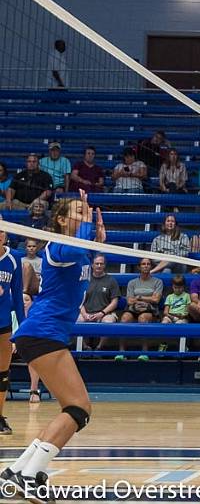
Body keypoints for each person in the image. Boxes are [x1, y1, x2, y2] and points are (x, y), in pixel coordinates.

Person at [0, 190, 104, 496]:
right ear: (60, 220)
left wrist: (95, 236)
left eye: (86, 211)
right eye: (78, 211)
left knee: (70, 408)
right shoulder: (59, 246)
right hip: (43, 330)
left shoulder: (79, 251)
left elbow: (83, 253)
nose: (85, 215)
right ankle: (30, 476)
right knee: (78, 408)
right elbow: (72, 247)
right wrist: (87, 228)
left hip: (46, 332)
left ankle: (17, 471)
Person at [0, 219, 27, 435]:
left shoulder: (14, 258)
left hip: (4, 324)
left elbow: (17, 297)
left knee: (2, 373)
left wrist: (24, 329)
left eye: (2, 230)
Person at [115, 258, 163, 361]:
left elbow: (156, 300)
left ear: (151, 266)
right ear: (139, 267)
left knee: (143, 318)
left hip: (150, 309)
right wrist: (142, 300)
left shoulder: (158, 282)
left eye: (148, 264)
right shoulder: (132, 283)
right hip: (134, 308)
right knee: (124, 318)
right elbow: (129, 301)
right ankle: (121, 352)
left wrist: (140, 298)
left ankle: (144, 352)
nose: (146, 266)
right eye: (143, 264)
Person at [76, 255, 119, 352]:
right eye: (97, 264)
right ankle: (85, 347)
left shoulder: (111, 280)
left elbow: (114, 302)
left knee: (108, 322)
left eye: (101, 264)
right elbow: (79, 300)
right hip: (86, 312)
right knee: (77, 320)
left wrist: (102, 313)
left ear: (105, 265)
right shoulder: (85, 280)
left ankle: (99, 348)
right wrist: (84, 314)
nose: (99, 266)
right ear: (92, 265)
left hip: (105, 313)